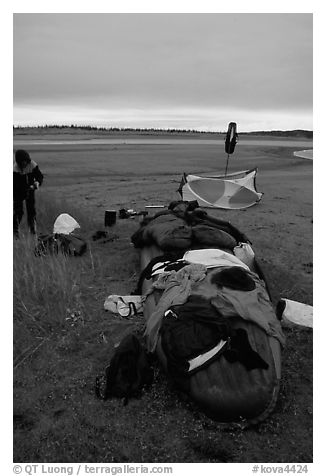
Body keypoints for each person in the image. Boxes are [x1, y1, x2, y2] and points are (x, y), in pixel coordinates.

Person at [13, 149, 44, 237]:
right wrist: (27, 188)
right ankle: (15, 231)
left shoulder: (33, 165)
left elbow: (39, 176)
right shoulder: (15, 170)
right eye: (22, 162)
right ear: (19, 162)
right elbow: (16, 185)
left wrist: (37, 182)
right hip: (17, 192)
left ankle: (32, 230)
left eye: (25, 161)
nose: (24, 163)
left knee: (31, 210)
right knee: (19, 212)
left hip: (30, 190)